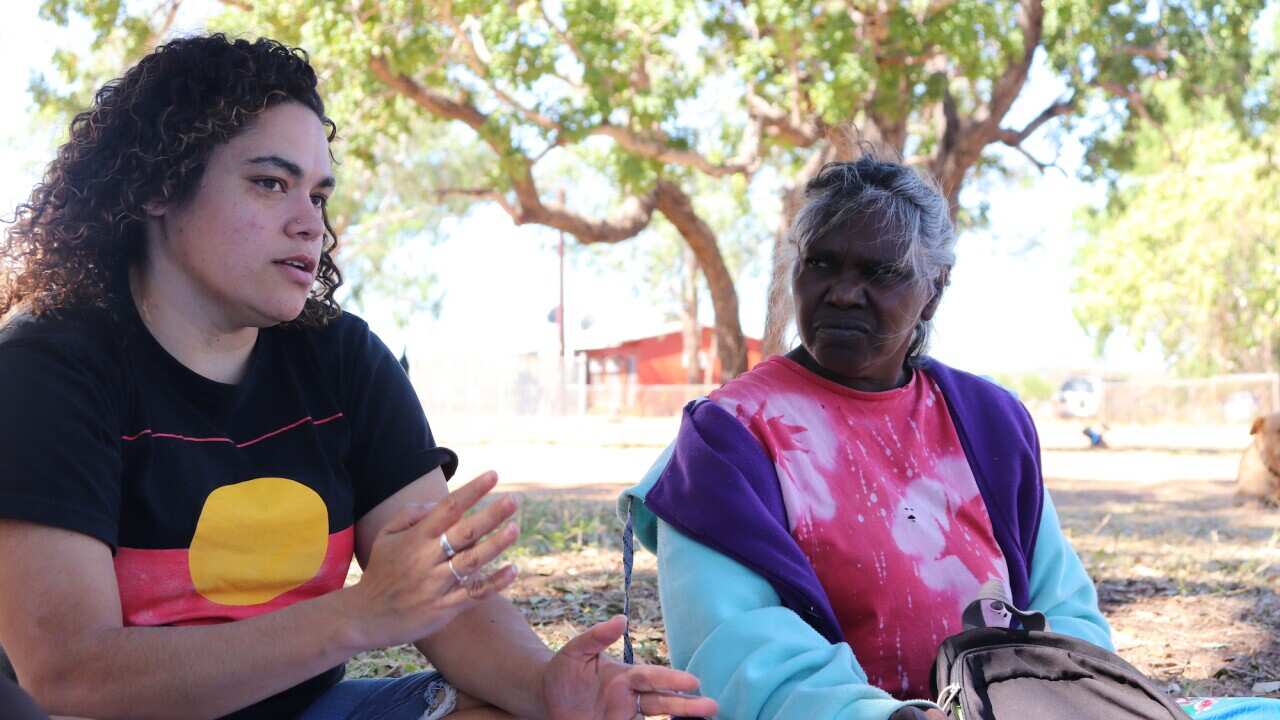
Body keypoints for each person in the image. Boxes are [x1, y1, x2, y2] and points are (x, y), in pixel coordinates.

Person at [0, 34, 717, 720]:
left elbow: (442, 599)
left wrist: (548, 688)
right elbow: (68, 671)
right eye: (269, 183)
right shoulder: (50, 368)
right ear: (158, 187)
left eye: (316, 194)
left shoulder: (339, 358)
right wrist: (355, 617)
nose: (309, 223)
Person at [619, 157, 1280, 720]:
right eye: (821, 263)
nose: (843, 293)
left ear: (932, 295)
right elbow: (737, 652)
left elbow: (1064, 611)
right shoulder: (728, 440)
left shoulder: (986, 422)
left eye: (880, 273)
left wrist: (1051, 700)